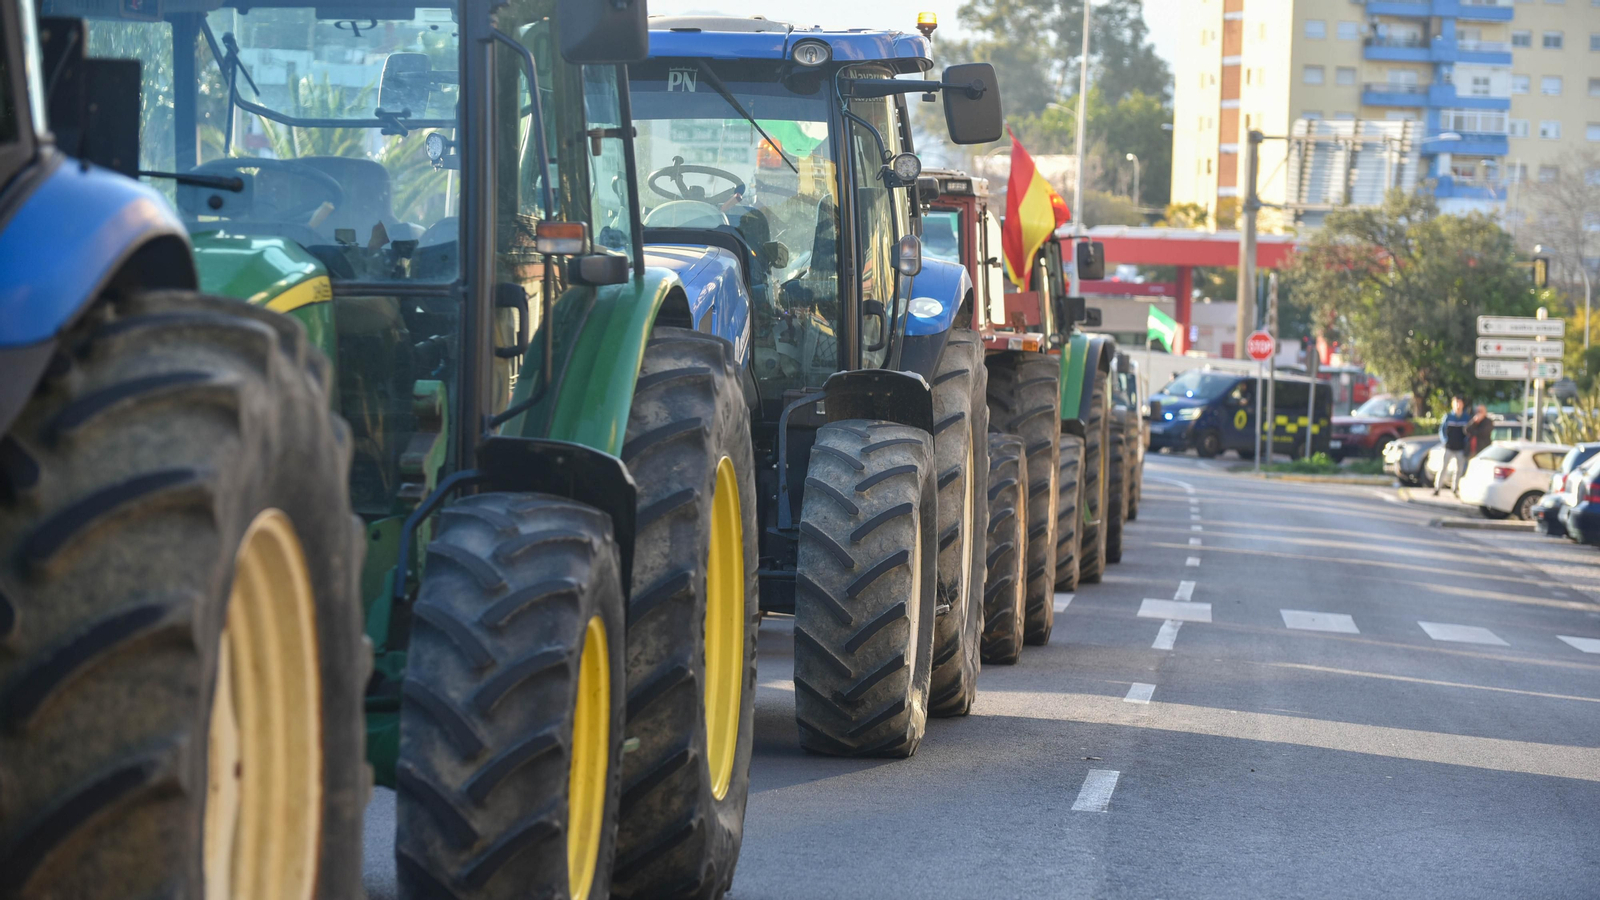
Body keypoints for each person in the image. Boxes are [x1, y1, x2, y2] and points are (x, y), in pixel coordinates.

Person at [1434, 396, 1471, 495]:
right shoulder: (1448, 417)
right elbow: (1442, 430)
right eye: (1456, 403)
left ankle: (1455, 489)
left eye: (1460, 403)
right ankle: (1437, 488)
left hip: (1460, 448)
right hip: (1449, 447)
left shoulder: (1466, 418)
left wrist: (1466, 441)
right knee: (1443, 467)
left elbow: (1468, 432)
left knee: (1459, 469)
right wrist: (1445, 441)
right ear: (1453, 404)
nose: (1458, 405)